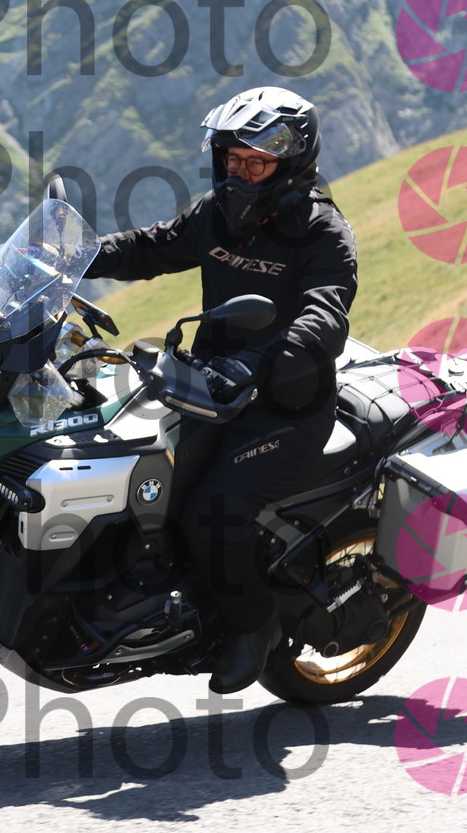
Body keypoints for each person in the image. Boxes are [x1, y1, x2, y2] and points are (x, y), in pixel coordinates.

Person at [81, 86, 358, 694]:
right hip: (208, 389)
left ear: (292, 164)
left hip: (285, 408)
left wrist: (260, 364)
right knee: (135, 481)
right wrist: (73, 258)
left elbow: (325, 319)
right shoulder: (219, 213)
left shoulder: (322, 232)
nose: (241, 172)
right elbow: (153, 246)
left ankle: (254, 626)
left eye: (257, 163)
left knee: (211, 513)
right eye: (233, 159)